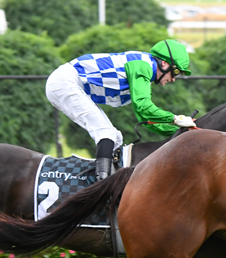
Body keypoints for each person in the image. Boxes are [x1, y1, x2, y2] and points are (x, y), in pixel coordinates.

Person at [46, 39, 196, 180]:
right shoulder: (143, 66)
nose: (174, 79)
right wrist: (177, 119)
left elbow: (145, 117)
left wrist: (178, 132)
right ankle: (100, 185)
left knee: (116, 138)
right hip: (65, 82)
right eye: (176, 72)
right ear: (164, 63)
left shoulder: (143, 73)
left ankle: (105, 179)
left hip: (70, 84)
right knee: (106, 133)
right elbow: (144, 107)